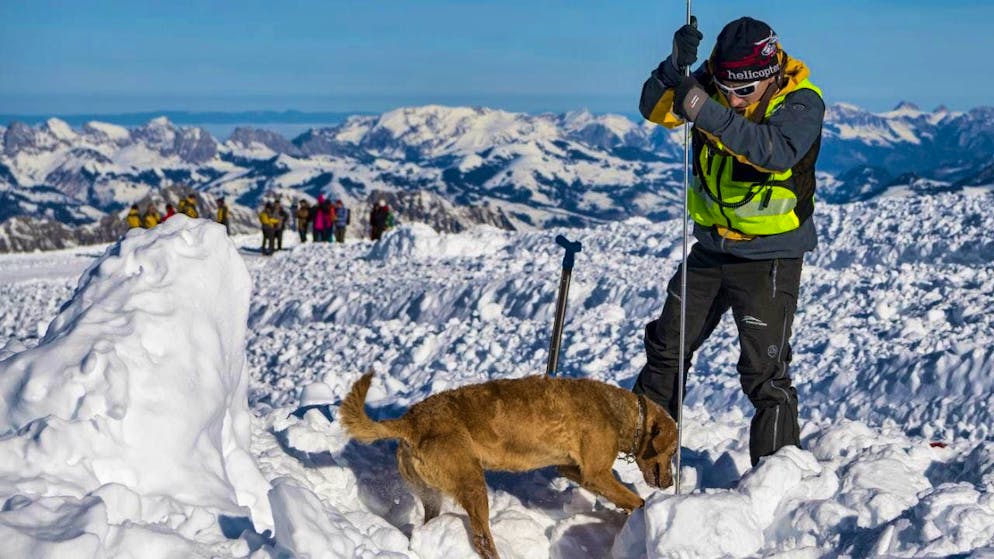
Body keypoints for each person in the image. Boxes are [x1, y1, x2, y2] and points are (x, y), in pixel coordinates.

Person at [632, 16, 825, 467]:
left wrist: (705, 107)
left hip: (768, 256)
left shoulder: (801, 102)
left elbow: (773, 152)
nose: (734, 101)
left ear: (772, 71)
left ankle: (777, 481)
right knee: (667, 347)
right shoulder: (717, 88)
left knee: (764, 374)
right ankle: (639, 454)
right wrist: (674, 68)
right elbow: (655, 109)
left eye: (745, 92)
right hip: (711, 249)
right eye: (726, 89)